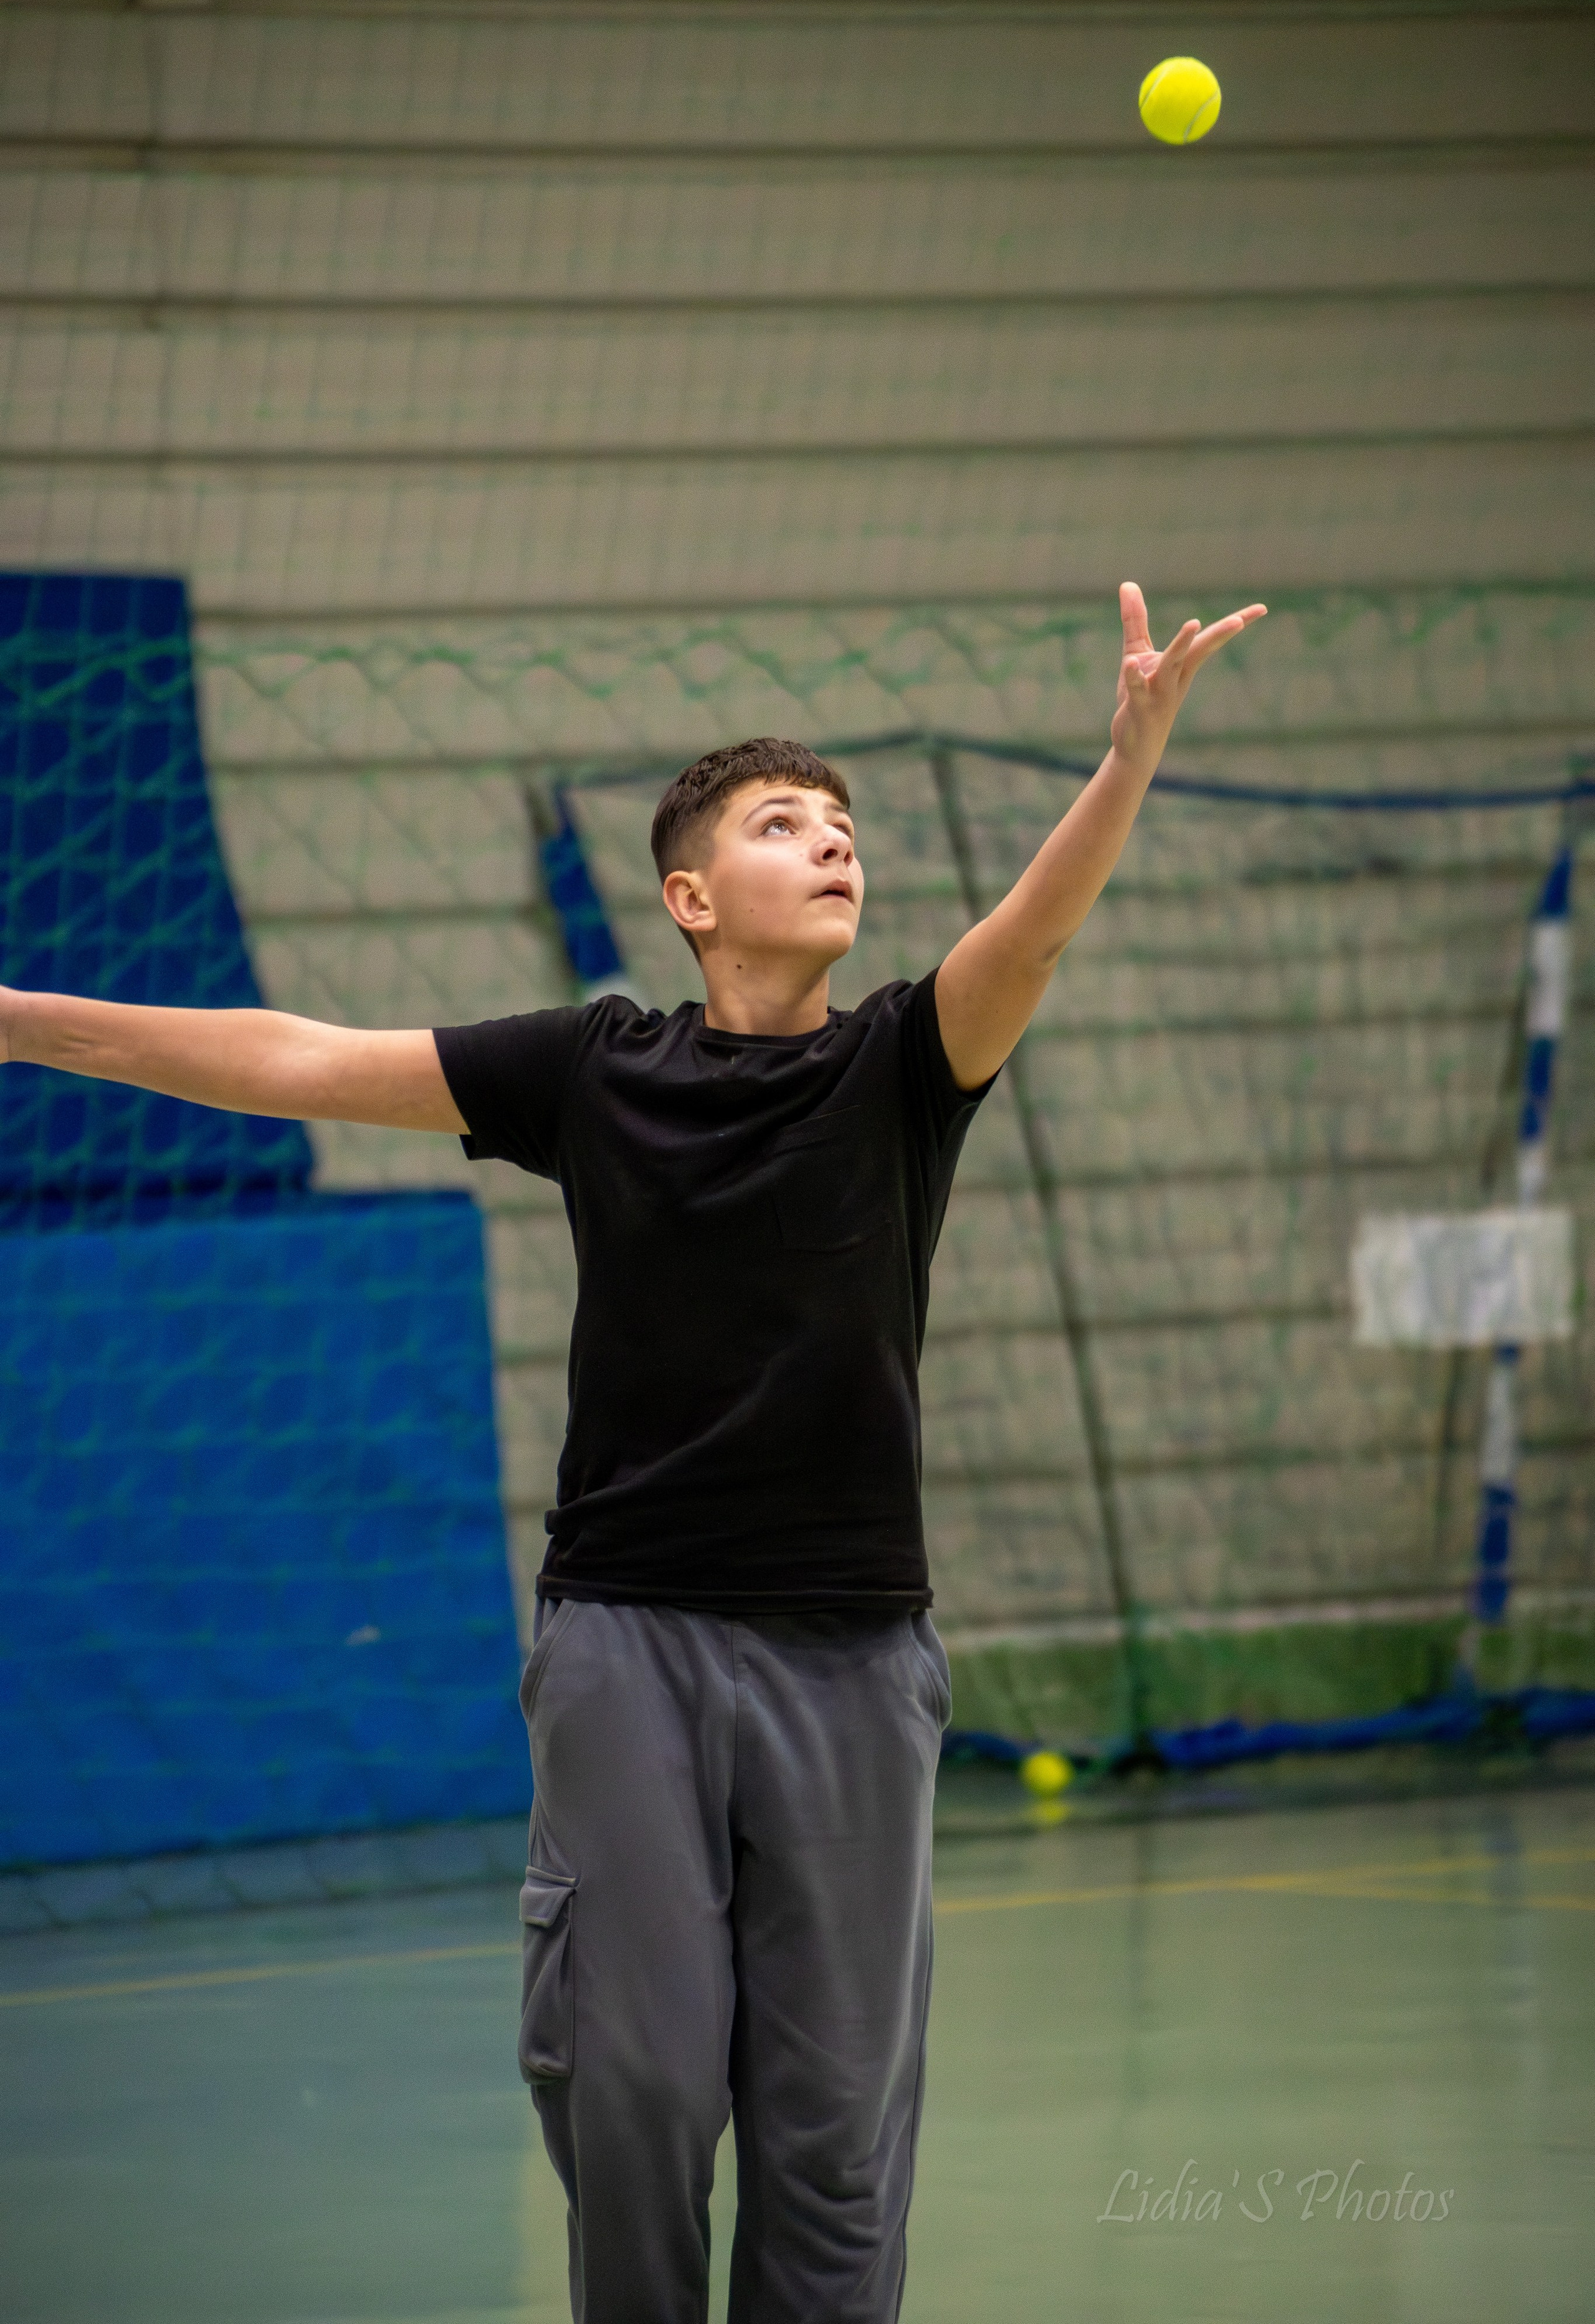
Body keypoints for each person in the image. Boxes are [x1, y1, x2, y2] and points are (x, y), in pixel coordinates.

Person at [2, 581, 1262, 2323]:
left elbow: (1030, 941)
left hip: (852, 1659)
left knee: (830, 2129)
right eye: (781, 826)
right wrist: (20, 1020)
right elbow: (302, 1058)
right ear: (690, 895)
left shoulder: (905, 1064)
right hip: (629, 1647)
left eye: (843, 829)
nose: (832, 848)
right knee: (638, 2083)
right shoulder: (600, 1071)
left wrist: (1128, 759)